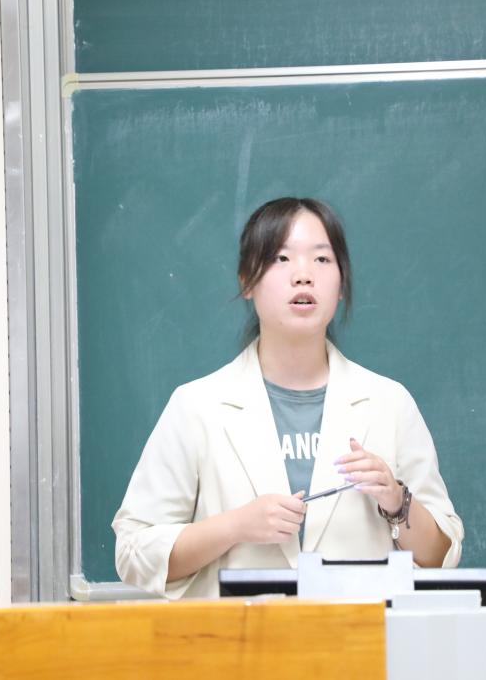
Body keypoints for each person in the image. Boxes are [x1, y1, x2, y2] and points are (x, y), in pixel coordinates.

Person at [113, 197, 463, 599]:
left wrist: (397, 501)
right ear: (247, 281)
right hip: (238, 637)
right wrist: (235, 526)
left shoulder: (389, 403)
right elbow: (133, 553)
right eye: (281, 258)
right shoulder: (196, 406)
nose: (303, 276)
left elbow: (443, 556)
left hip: (356, 637)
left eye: (322, 259)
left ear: (341, 284)